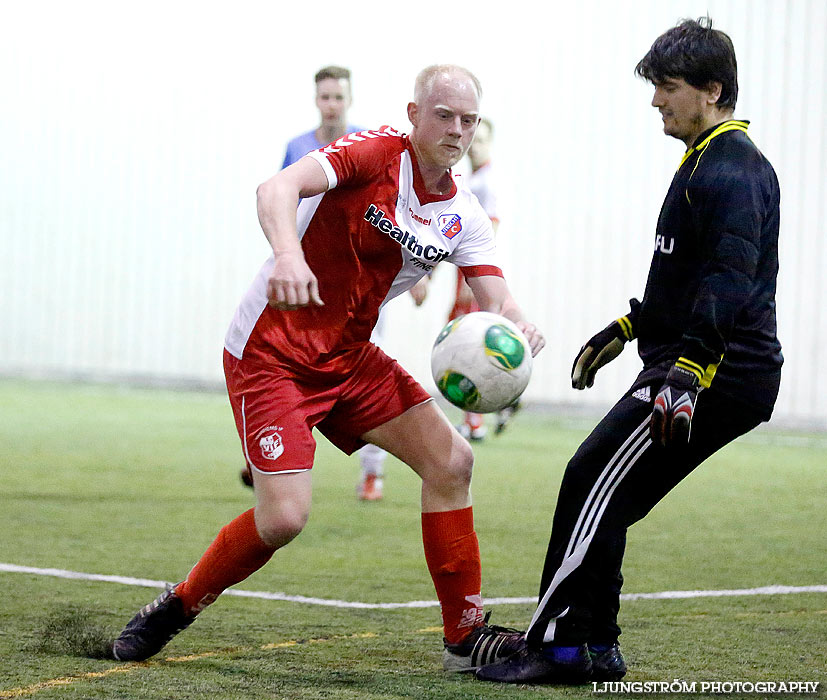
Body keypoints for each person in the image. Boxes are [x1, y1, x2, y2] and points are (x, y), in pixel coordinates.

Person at [110, 64, 545, 672]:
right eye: (443, 115)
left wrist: (518, 327)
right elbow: (275, 190)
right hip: (272, 353)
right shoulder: (371, 155)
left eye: (468, 120)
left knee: (453, 462)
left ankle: (464, 639)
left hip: (349, 357)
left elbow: (496, 296)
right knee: (284, 518)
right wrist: (288, 254)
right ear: (415, 113)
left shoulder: (463, 213)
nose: (457, 130)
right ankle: (178, 605)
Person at [477, 18, 782, 684]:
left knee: (588, 478)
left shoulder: (729, 170)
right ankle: (596, 646)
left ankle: (556, 648)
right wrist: (627, 326)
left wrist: (687, 371)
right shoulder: (708, 160)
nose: (654, 102)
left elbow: (729, 280)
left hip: (715, 376)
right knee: (606, 493)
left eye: (666, 88)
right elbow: (689, 274)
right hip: (697, 365)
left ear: (710, 89)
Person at [449, 117, 517, 441]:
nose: (474, 147)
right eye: (471, 140)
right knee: (470, 345)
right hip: (464, 275)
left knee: (467, 347)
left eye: (480, 141)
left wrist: (469, 279)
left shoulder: (485, 182)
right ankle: (504, 400)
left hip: (472, 276)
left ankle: (476, 421)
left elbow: (488, 229)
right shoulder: (472, 178)